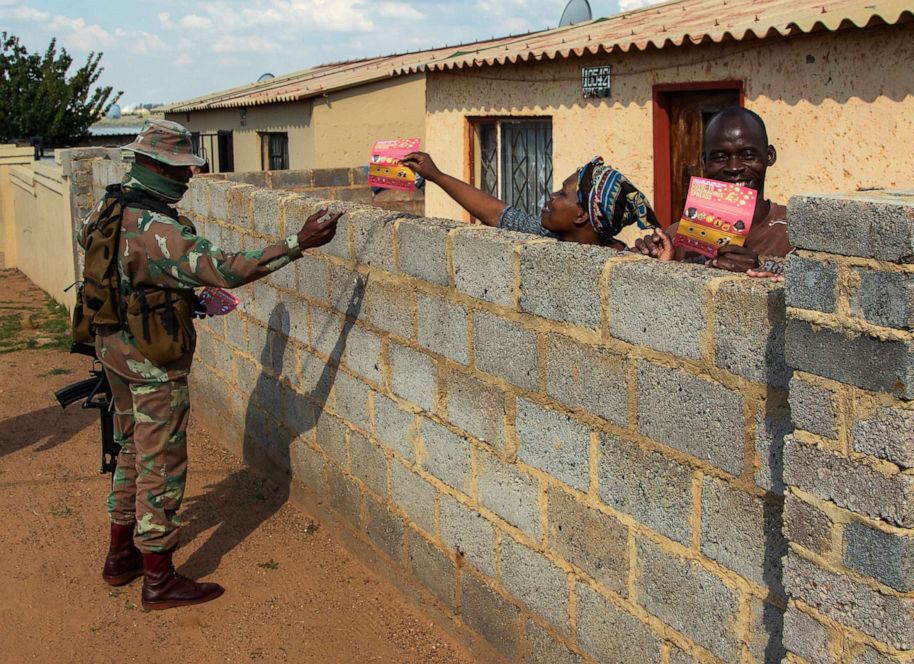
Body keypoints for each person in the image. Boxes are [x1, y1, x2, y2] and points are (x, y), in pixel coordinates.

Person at [82, 119, 341, 610]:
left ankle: (121, 557)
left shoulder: (107, 205)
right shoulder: (159, 228)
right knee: (161, 462)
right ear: (156, 166)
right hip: (151, 360)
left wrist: (162, 288)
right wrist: (298, 242)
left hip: (111, 345)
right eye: (180, 170)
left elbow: (107, 260)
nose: (187, 179)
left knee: (130, 450)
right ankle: (158, 577)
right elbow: (226, 268)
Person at [635, 107, 791, 279]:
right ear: (704, 161)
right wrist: (659, 269)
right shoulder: (676, 239)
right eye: (720, 157)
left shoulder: (795, 235)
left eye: (747, 155)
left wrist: (759, 276)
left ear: (769, 156)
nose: (734, 168)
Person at [400, 152, 658, 248]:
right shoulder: (548, 236)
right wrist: (435, 175)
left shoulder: (626, 264)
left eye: (562, 193)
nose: (552, 196)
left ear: (581, 215)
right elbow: (495, 213)